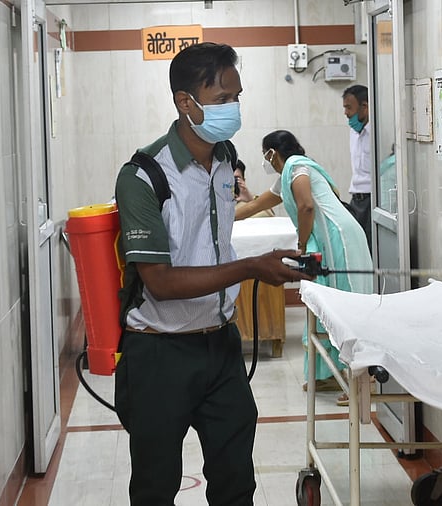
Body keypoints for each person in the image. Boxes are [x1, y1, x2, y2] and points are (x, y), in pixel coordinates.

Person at [113, 42, 312, 506]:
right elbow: (160, 283)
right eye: (223, 99)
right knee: (155, 485)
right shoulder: (144, 175)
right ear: (186, 102)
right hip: (160, 354)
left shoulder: (225, 158)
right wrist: (250, 267)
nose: (233, 109)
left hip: (222, 346)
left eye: (237, 97)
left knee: (235, 481)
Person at [235, 130, 373, 405]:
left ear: (272, 153)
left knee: (347, 307)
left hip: (340, 240)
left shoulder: (298, 168)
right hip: (326, 242)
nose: (265, 161)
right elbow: (253, 206)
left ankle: (362, 381)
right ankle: (330, 374)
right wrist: (218, 219)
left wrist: (300, 242)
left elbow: (306, 206)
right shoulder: (286, 176)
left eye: (266, 155)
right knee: (324, 308)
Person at [342, 84, 372, 250]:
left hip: (372, 200)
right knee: (356, 247)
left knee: (370, 248)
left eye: (349, 107)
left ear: (365, 106)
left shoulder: (378, 132)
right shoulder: (354, 131)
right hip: (356, 199)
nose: (346, 113)